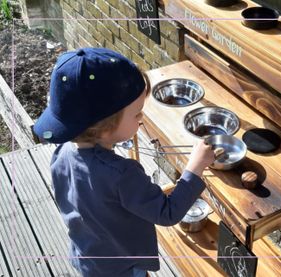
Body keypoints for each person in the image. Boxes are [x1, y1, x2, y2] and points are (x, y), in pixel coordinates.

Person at [33, 47, 215, 277]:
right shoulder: (122, 174)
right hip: (122, 268)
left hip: (89, 257)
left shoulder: (61, 153)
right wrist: (195, 167)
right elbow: (167, 213)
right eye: (138, 114)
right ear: (106, 127)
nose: (141, 120)